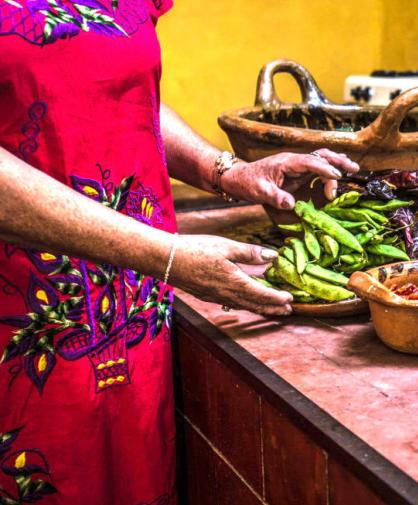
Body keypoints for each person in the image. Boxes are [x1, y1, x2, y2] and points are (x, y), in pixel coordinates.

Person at [0, 0, 358, 503]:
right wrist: (165, 254)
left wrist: (227, 171)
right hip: (22, 317)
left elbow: (114, 86)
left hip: (131, 309)